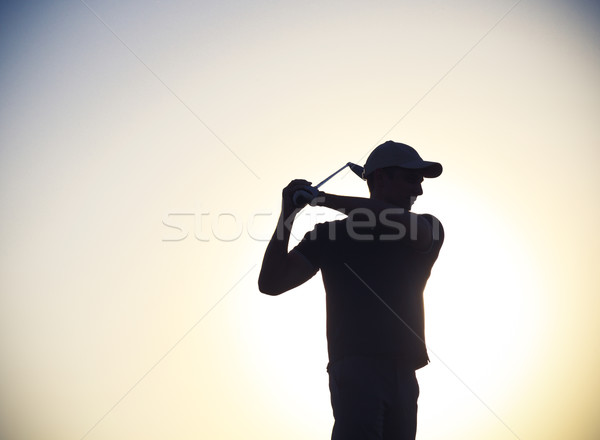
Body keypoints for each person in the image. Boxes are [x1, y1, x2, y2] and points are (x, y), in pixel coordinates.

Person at [258, 141, 444, 440]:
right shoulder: (329, 235)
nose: (419, 191)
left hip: (404, 373)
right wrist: (288, 215)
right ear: (381, 178)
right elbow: (271, 283)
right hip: (356, 370)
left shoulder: (427, 226)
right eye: (411, 179)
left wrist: (321, 199)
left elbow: (394, 220)